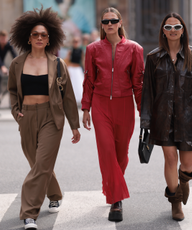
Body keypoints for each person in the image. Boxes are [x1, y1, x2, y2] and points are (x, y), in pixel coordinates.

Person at [8, 7, 80, 229]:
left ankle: (29, 213)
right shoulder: (17, 64)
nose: (39, 37)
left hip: (51, 117)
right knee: (38, 163)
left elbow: (68, 97)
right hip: (27, 117)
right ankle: (55, 193)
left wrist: (74, 126)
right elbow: (12, 91)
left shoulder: (58, 64)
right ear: (28, 38)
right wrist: (15, 112)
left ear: (50, 39)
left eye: (44, 35)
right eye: (35, 34)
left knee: (40, 166)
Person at [140, 12, 192, 221]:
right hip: (162, 118)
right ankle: (175, 202)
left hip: (188, 119)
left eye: (176, 27)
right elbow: (147, 92)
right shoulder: (153, 58)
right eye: (168, 27)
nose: (172, 31)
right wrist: (145, 121)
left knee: (188, 165)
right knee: (170, 158)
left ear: (183, 30)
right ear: (163, 32)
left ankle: (183, 182)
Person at [82, 7, 144, 222]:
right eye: (105, 21)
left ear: (120, 23)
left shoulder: (135, 49)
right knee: (107, 151)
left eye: (113, 20)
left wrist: (142, 110)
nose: (109, 24)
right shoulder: (92, 49)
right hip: (100, 105)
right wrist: (85, 108)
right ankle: (117, 202)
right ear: (101, 24)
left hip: (125, 105)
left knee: (121, 154)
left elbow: (138, 83)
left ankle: (111, 186)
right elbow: (88, 80)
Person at [0, 30, 17, 116]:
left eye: (4, 39)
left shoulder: (8, 45)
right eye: (1, 39)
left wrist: (18, 64)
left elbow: (14, 55)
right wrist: (2, 66)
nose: (3, 41)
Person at [65, 36, 84, 105]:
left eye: (77, 41)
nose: (75, 43)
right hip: (72, 68)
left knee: (79, 84)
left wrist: (85, 70)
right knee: (72, 84)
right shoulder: (70, 50)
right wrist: (66, 69)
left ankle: (79, 99)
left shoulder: (81, 51)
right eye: (74, 41)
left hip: (78, 69)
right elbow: (67, 60)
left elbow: (83, 60)